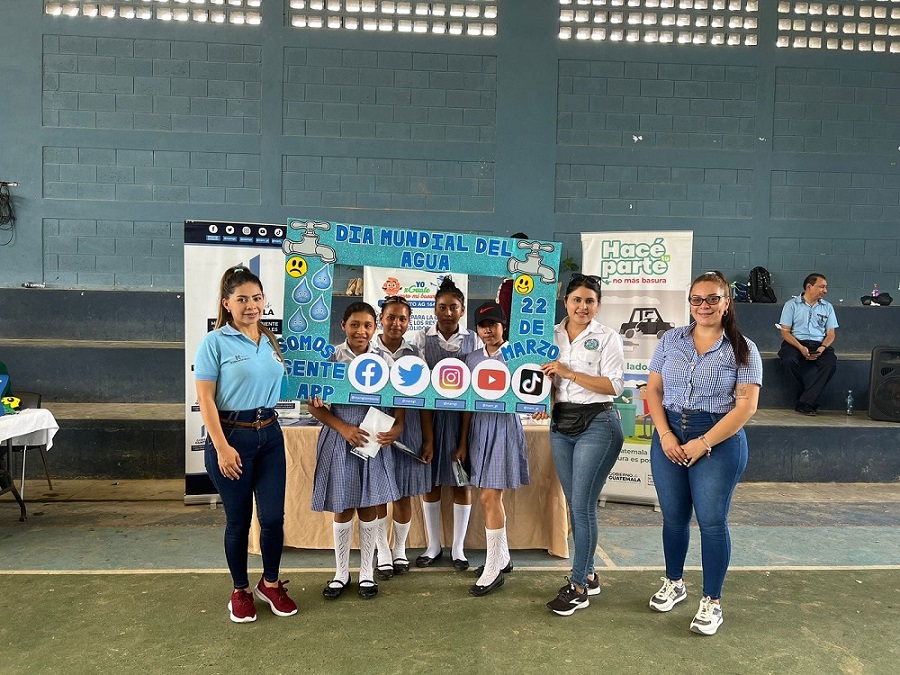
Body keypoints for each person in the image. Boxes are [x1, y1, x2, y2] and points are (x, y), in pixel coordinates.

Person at [646, 270, 762, 636]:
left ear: (727, 302)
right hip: (669, 435)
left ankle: (712, 602)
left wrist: (704, 442)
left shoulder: (743, 348)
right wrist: (665, 435)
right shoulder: (670, 340)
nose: (704, 305)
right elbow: (653, 390)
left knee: (712, 521)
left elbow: (746, 407)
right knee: (673, 517)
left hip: (718, 440)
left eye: (713, 298)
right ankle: (674, 583)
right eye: (697, 299)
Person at [194, 265, 297, 623]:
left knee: (272, 519)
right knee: (238, 521)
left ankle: (270, 584)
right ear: (227, 303)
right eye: (242, 299)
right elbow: (205, 400)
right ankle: (240, 590)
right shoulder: (214, 342)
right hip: (231, 437)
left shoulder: (270, 340)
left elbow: (281, 384)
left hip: (269, 435)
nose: (251, 305)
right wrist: (222, 447)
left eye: (256, 298)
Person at [538, 274, 625, 616]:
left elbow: (614, 386)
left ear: (598, 305)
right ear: (566, 302)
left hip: (598, 423)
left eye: (590, 301)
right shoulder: (550, 334)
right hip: (561, 423)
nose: (582, 306)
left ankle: (578, 588)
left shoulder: (608, 337)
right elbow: (539, 377)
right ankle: (589, 573)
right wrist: (538, 396)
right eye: (577, 299)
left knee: (583, 506)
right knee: (575, 505)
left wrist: (568, 372)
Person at [308, 302, 404, 600]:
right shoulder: (330, 359)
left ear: (375, 328)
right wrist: (343, 428)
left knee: (369, 505)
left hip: (372, 439)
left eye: (367, 325)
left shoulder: (385, 361)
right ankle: (341, 572)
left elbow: (400, 402)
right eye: (354, 324)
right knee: (343, 506)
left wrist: (398, 427)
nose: (361, 331)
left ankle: (366, 572)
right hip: (341, 438)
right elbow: (314, 406)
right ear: (343, 325)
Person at [456, 301, 528, 597]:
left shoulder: (517, 356)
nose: (488, 330)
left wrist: (539, 404)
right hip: (477, 429)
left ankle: (493, 568)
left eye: (493, 325)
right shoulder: (471, 359)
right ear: (477, 329)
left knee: (489, 497)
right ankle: (503, 558)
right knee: (485, 495)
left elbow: (533, 391)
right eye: (483, 326)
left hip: (504, 427)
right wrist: (463, 441)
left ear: (503, 326)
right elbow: (466, 404)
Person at [410, 276, 483, 571]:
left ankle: (458, 549)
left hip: (464, 419)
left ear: (462, 310)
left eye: (454, 307)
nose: (448, 312)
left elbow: (474, 391)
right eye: (442, 307)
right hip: (429, 418)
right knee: (431, 482)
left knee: (461, 482)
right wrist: (427, 438)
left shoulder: (474, 340)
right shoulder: (421, 339)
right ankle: (433, 545)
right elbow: (419, 389)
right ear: (434, 309)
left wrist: (464, 440)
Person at [372, 295, 434, 578]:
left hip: (410, 429)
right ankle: (382, 550)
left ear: (409, 322)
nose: (396, 323)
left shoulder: (414, 355)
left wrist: (428, 438)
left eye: (402, 319)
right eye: (391, 317)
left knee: (403, 492)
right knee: (377, 491)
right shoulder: (368, 352)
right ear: (380, 319)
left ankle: (399, 549)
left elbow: (424, 402)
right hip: (376, 426)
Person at [777, 273, 838, 416]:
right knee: (788, 360)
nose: (825, 290)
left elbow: (831, 334)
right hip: (795, 342)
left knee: (830, 363)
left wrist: (822, 348)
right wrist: (800, 347)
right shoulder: (791, 305)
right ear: (809, 287)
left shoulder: (828, 307)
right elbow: (785, 332)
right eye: (821, 287)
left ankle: (804, 401)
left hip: (819, 343)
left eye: (825, 287)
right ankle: (805, 400)